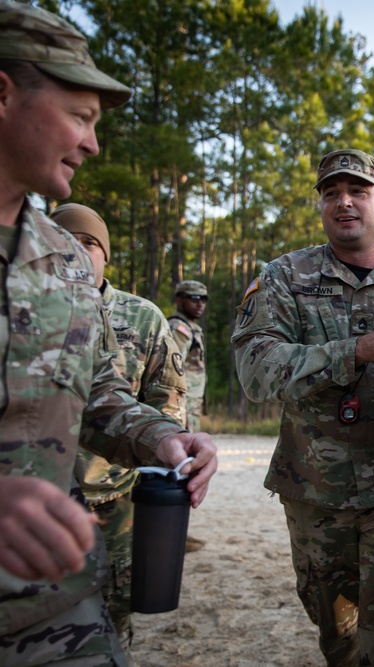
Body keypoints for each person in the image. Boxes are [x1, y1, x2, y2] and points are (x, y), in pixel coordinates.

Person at [0, 3, 218, 665]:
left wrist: (161, 434)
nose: (93, 143)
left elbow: (99, 394)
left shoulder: (65, 261)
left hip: (51, 606)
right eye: (81, 116)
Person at [231, 148, 374, 666]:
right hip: (316, 498)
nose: (344, 202)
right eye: (331, 194)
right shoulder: (284, 277)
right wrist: (356, 351)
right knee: (340, 641)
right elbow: (256, 372)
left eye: (358, 192)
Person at [52, 203, 188, 648]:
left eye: (90, 242)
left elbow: (164, 399)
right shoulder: (28, 308)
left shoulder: (143, 317)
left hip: (117, 499)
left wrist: (166, 448)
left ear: (105, 255)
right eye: (67, 239)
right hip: (39, 501)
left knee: (113, 614)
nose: (78, 249)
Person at [170, 279, 208, 431]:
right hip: (182, 404)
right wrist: (179, 406)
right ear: (179, 300)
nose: (200, 304)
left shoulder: (192, 328)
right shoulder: (178, 329)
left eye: (204, 299)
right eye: (194, 298)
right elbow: (172, 370)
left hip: (192, 403)